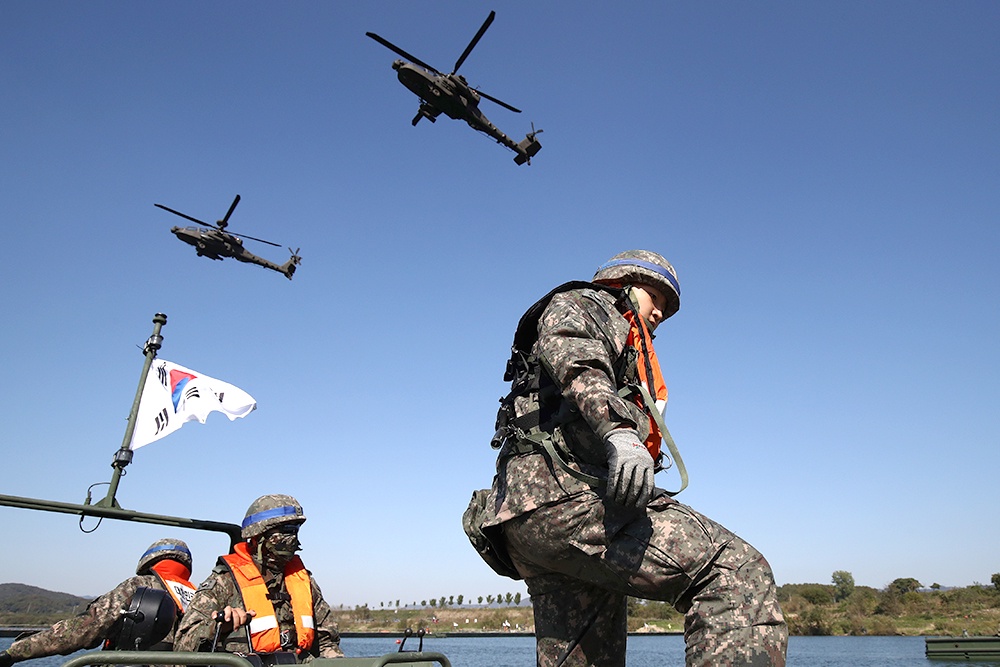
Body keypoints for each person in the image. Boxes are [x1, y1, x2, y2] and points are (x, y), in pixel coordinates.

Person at [473, 250, 788, 666]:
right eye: (655, 298)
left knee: (585, 655)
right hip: (570, 502)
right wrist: (619, 432)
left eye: (666, 309)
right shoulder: (587, 304)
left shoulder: (627, 345)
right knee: (734, 573)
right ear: (622, 283)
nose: (659, 313)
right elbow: (578, 362)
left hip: (531, 520)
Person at [173, 494, 343, 661]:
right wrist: (219, 627)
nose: (292, 538)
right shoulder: (223, 582)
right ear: (258, 534)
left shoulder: (304, 581)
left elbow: (327, 642)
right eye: (285, 531)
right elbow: (183, 646)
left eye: (295, 530)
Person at [0, 539, 196, 667]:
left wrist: (14, 652)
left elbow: (85, 628)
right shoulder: (197, 596)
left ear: (150, 558)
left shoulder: (139, 586)